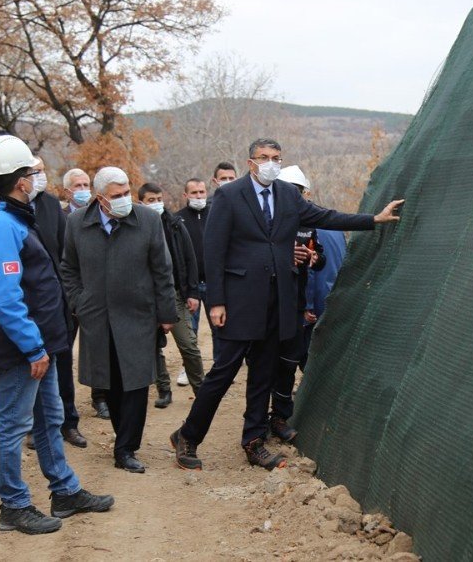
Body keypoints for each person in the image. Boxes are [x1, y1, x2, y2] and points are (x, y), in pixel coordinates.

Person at [169, 138, 404, 471]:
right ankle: (188, 436)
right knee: (223, 373)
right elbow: (214, 250)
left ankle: (254, 442)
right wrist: (217, 301)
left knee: (263, 374)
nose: (271, 163)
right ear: (250, 162)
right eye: (264, 157)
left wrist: (373, 219)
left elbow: (326, 216)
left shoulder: (287, 195)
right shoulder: (230, 195)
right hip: (240, 301)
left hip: (277, 301)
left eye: (276, 157)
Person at [0, 135, 113, 535]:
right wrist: (32, 347)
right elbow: (4, 297)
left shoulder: (11, 217)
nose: (36, 179)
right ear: (19, 181)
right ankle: (13, 505)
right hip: (21, 347)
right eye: (32, 173)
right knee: (13, 426)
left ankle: (65, 491)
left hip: (39, 342)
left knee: (49, 419)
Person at [61, 167, 178, 474]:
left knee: (136, 383)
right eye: (117, 195)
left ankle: (126, 448)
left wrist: (166, 313)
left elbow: (162, 269)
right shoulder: (77, 223)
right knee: (109, 381)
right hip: (97, 317)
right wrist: (79, 302)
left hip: (138, 315)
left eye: (127, 192)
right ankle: (122, 437)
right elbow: (68, 268)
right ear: (100, 199)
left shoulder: (148, 220)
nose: (125, 199)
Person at [27, 158, 85, 449]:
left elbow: (67, 254)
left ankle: (68, 423)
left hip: (58, 300)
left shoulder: (51, 206)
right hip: (26, 303)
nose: (39, 176)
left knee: (62, 362)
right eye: (33, 172)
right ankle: (32, 427)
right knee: (32, 366)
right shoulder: (7, 210)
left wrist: (70, 296)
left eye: (41, 171)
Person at [267, 166, 324, 443]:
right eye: (290, 190)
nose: (294, 195)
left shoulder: (308, 224)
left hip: (295, 304)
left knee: (290, 361)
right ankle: (255, 421)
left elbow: (319, 257)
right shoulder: (264, 221)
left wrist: (315, 258)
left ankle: (279, 417)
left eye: (299, 191)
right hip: (267, 304)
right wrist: (281, 255)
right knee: (265, 364)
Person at [137, 183, 204, 408]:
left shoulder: (175, 224)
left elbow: (189, 259)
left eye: (158, 199)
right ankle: (163, 389)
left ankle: (201, 390)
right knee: (153, 347)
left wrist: (192, 292)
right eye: (151, 200)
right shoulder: (134, 227)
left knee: (188, 345)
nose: (156, 203)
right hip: (146, 297)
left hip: (174, 293)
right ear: (140, 202)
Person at [61, 168, 110, 421]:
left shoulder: (99, 214)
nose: (83, 190)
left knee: (98, 349)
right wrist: (74, 298)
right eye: (78, 186)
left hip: (97, 295)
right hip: (70, 296)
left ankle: (100, 397)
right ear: (67, 191)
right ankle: (64, 404)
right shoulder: (62, 218)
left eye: (86, 185)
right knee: (64, 352)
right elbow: (65, 261)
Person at [174, 178, 208, 369]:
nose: (198, 196)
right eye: (194, 193)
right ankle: (189, 369)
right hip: (189, 286)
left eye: (201, 192)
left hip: (213, 283)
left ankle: (220, 367)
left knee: (220, 329)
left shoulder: (216, 215)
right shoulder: (177, 220)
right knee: (189, 331)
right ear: (185, 195)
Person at [303, 227, 347, 370]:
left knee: (308, 356)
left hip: (316, 300)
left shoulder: (308, 230)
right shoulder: (337, 229)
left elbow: (309, 267)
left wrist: (307, 305)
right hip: (335, 296)